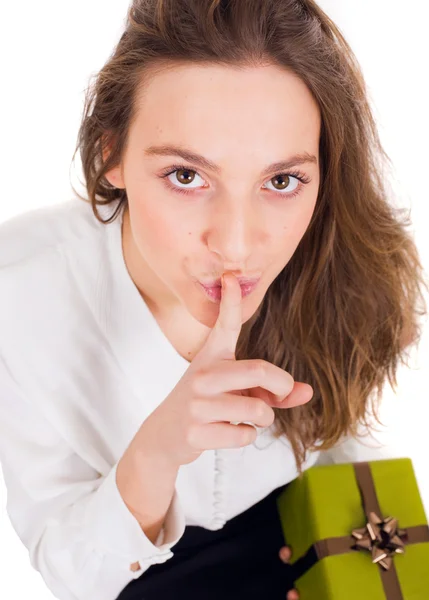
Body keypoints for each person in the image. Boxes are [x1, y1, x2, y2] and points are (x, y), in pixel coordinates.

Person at [0, 1, 426, 599]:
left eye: (281, 181)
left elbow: (348, 451)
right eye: (186, 176)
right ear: (110, 154)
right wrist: (157, 450)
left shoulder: (351, 265)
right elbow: (75, 577)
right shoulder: (16, 297)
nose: (235, 244)